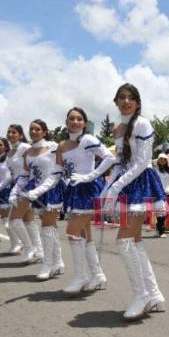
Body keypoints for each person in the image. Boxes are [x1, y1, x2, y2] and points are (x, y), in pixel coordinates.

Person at [100, 84, 166, 321]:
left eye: (131, 98)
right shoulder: (118, 128)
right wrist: (108, 188)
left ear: (138, 102)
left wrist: (117, 186)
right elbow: (120, 162)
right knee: (135, 242)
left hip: (139, 183)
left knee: (125, 241)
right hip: (125, 183)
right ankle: (154, 294)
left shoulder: (142, 123)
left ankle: (142, 295)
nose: (126, 101)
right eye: (122, 98)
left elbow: (141, 162)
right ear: (116, 101)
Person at [59, 107, 115, 294]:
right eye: (71, 119)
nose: (75, 122)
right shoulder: (63, 145)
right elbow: (60, 171)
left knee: (72, 231)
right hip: (73, 190)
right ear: (66, 121)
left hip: (89, 190)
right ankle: (98, 275)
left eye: (79, 119)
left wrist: (91, 176)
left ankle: (81, 276)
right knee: (84, 234)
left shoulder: (88, 140)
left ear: (84, 123)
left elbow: (109, 158)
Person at [10, 120, 66, 280]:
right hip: (35, 191)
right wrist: (14, 191)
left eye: (37, 129)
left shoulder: (54, 147)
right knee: (51, 227)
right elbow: (24, 176)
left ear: (44, 131)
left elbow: (60, 169)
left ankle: (48, 264)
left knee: (47, 227)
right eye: (31, 129)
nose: (33, 131)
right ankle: (58, 261)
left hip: (53, 189)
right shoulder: (28, 152)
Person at [6, 124, 39, 261]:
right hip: (16, 186)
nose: (10, 134)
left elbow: (32, 167)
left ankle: (29, 248)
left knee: (13, 220)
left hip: (26, 186)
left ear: (20, 135)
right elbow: (12, 173)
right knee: (28, 221)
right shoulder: (9, 153)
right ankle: (40, 251)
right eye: (9, 132)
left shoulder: (25, 148)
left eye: (14, 132)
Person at [153, 153, 169, 237]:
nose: (162, 161)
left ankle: (158, 227)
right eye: (160, 159)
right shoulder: (154, 171)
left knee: (166, 212)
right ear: (158, 161)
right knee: (160, 211)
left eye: (164, 159)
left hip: (166, 193)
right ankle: (161, 231)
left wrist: (168, 190)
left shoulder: (168, 172)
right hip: (157, 193)